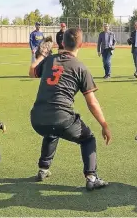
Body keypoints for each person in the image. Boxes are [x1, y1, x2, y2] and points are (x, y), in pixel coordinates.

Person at [28, 28, 112, 191]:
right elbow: (92, 102)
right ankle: (91, 177)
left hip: (37, 118)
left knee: (52, 132)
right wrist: (104, 124)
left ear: (62, 43)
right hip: (61, 118)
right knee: (88, 139)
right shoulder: (81, 67)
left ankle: (43, 169)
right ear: (81, 44)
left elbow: (32, 72)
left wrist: (41, 55)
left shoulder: (50, 59)